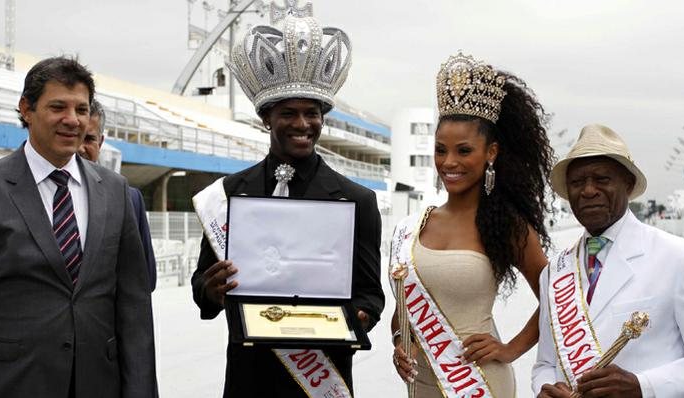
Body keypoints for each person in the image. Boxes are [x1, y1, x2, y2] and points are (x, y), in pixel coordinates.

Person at [0, 56, 157, 398]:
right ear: (26, 108)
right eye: (58, 107)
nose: (72, 120)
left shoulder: (115, 191)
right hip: (12, 385)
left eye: (81, 110)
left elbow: (135, 310)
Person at [190, 8, 384, 398]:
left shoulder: (356, 200)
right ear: (266, 118)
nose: (302, 124)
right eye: (289, 113)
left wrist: (361, 315)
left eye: (311, 114)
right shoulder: (227, 194)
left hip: (319, 376)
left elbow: (370, 294)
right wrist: (210, 290)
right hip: (249, 379)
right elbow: (202, 285)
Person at [390, 52, 553, 397]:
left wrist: (510, 349)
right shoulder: (416, 227)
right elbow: (403, 309)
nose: (449, 162)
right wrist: (399, 341)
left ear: (490, 152)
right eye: (439, 150)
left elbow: (556, 298)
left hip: (478, 383)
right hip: (422, 382)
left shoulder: (508, 225)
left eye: (464, 151)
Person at [533, 124, 684, 398]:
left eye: (602, 179)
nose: (588, 191)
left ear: (628, 184)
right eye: (577, 183)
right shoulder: (553, 271)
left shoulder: (681, 258)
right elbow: (545, 364)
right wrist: (546, 388)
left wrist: (643, 386)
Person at [80, 99, 157, 292]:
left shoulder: (129, 199)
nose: (80, 148)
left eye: (88, 139)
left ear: (101, 142)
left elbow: (145, 279)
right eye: (75, 137)